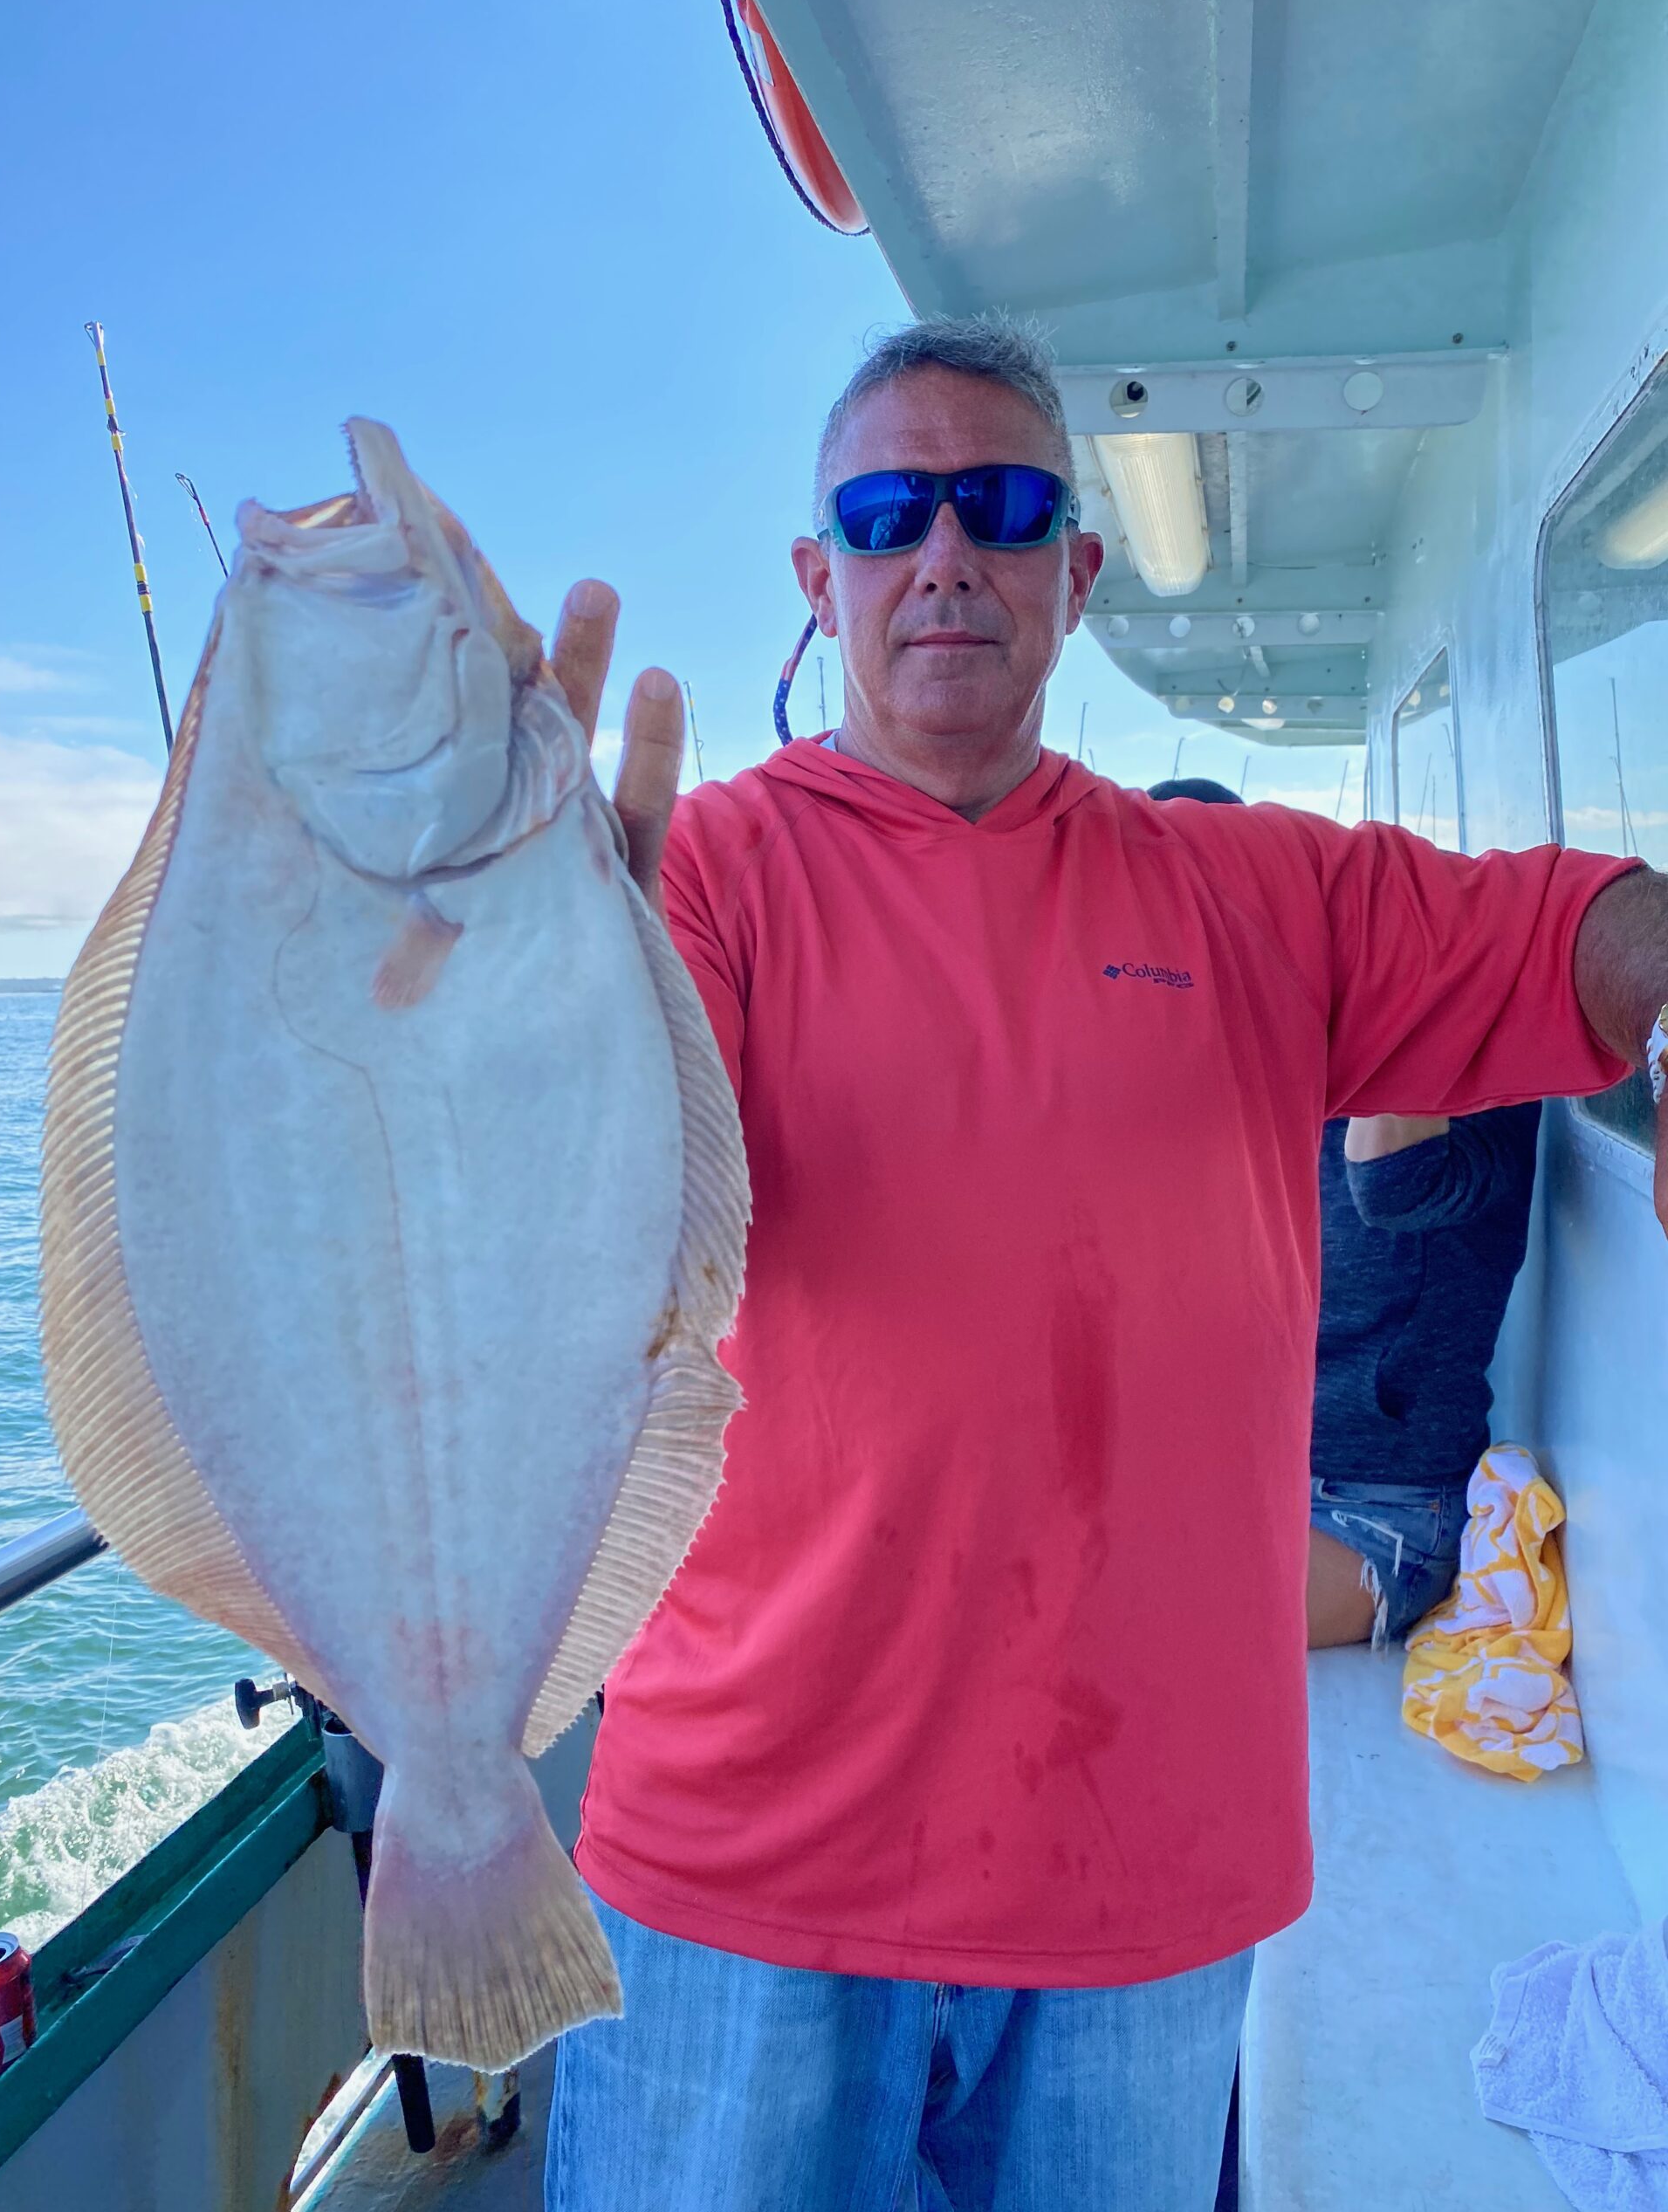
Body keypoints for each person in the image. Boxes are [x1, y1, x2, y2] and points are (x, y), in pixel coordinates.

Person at [532, 318, 1668, 2212]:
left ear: (1077, 570)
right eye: (888, 516)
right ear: (820, 578)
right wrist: (533, 994)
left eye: (1001, 507)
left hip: (1146, 1867)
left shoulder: (1264, 891)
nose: (943, 554)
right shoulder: (704, 877)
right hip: (745, 1858)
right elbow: (601, 1204)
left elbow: (1581, 934)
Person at [1149, 778, 1544, 1651]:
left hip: (1385, 1517)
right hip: (1261, 1479)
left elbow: (1393, 1186)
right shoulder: (1269, 1050)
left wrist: (1386, 966)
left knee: (1125, 1629)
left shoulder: (1480, 1068)